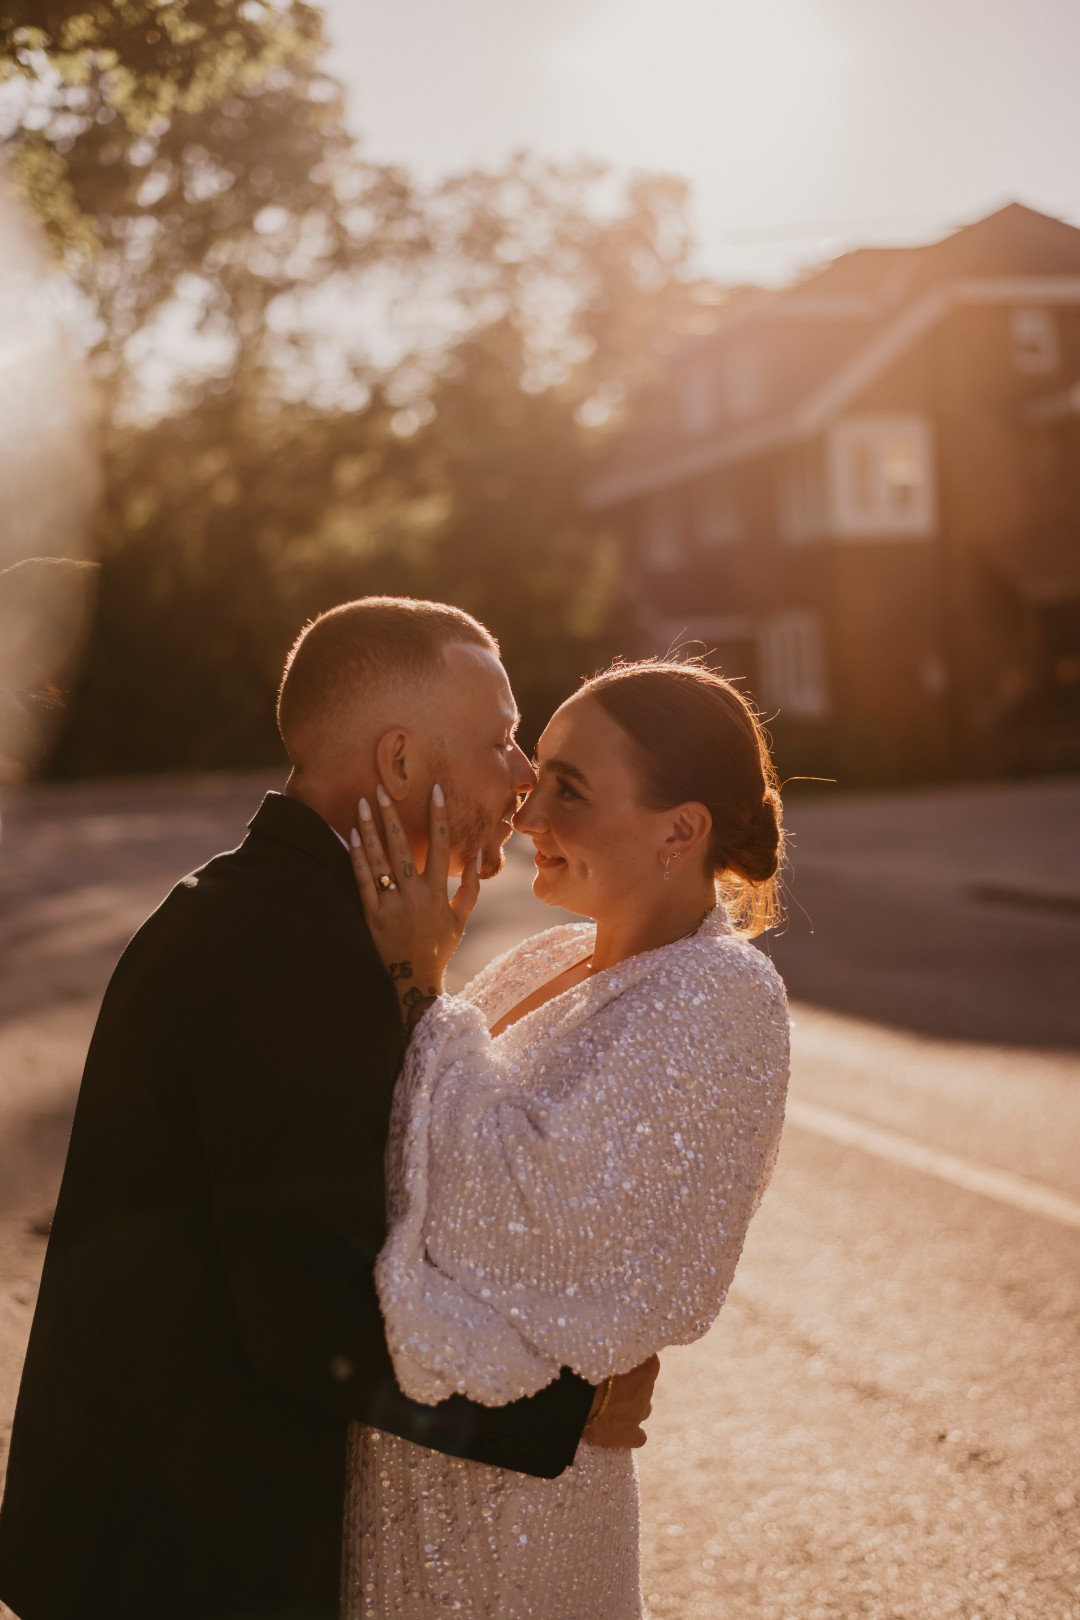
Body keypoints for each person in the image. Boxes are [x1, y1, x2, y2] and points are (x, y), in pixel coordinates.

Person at [0, 598, 656, 1620]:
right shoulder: (288, 953)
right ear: (398, 763)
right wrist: (568, 1409)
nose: (524, 779)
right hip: (179, 1566)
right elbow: (313, 1315)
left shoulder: (269, 908)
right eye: (499, 741)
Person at [344, 656, 791, 1618]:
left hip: (516, 1510)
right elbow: (418, 1145)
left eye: (570, 788)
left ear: (682, 830)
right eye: (537, 772)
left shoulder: (721, 994)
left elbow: (527, 1225)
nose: (526, 812)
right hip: (427, 1469)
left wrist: (420, 984)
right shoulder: (549, 957)